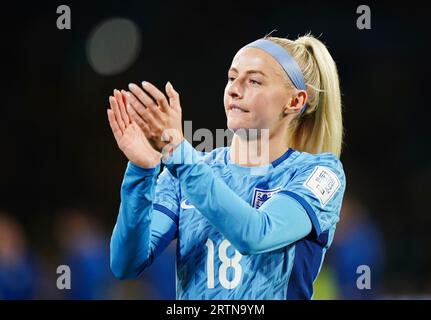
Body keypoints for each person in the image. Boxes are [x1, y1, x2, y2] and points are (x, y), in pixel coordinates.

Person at [107, 33, 346, 299]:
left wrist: (179, 154)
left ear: (295, 101)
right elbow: (126, 264)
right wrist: (141, 171)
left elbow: (256, 234)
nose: (234, 88)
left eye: (253, 81)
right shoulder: (184, 171)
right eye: (232, 78)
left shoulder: (319, 173)